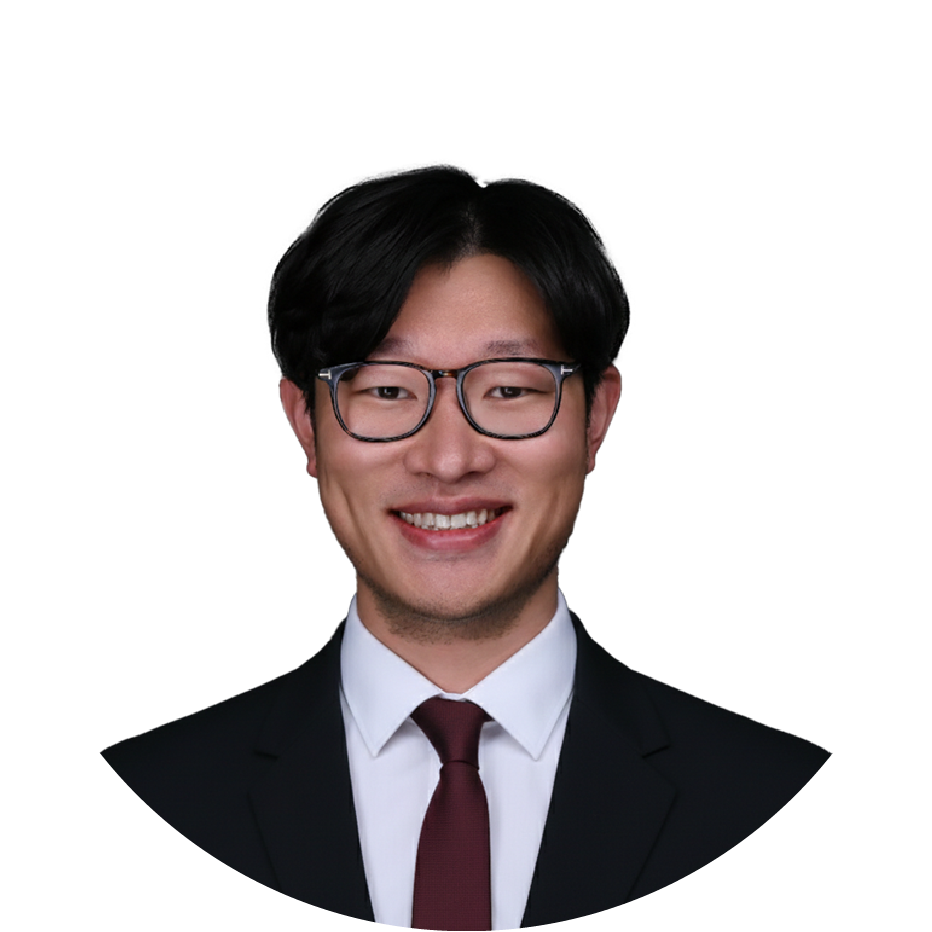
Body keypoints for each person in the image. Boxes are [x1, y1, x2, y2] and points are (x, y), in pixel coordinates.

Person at [101, 166, 830, 930]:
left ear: (596, 419)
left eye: (509, 390)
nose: (448, 458)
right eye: (386, 390)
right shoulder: (143, 804)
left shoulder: (784, 807)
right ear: (306, 426)